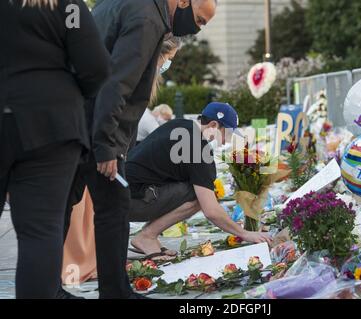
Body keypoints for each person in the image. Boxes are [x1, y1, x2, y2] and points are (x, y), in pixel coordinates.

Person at [62, 0, 217, 299]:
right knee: (114, 208)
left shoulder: (125, 4)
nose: (196, 29)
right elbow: (116, 83)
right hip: (96, 128)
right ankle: (116, 291)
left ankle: (52, 289)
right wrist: (106, 144)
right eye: (199, 20)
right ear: (183, 2)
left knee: (62, 208)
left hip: (75, 119)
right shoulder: (149, 18)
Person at [0, 0, 110, 298]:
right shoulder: (66, 6)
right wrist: (66, 97)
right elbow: (96, 65)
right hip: (51, 121)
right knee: (40, 232)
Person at [61, 36, 178, 291]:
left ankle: (100, 274)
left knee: (97, 213)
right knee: (93, 213)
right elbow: (113, 107)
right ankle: (87, 274)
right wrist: (109, 150)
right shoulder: (134, 68)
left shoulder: (142, 75)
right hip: (103, 150)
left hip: (108, 149)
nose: (167, 66)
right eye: (168, 60)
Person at [126, 102, 272, 261]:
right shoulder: (200, 150)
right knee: (199, 197)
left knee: (195, 189)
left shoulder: (180, 124)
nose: (225, 142)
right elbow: (210, 211)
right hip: (130, 202)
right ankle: (147, 237)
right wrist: (245, 233)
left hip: (118, 193)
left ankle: (148, 237)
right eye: (227, 134)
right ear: (214, 125)